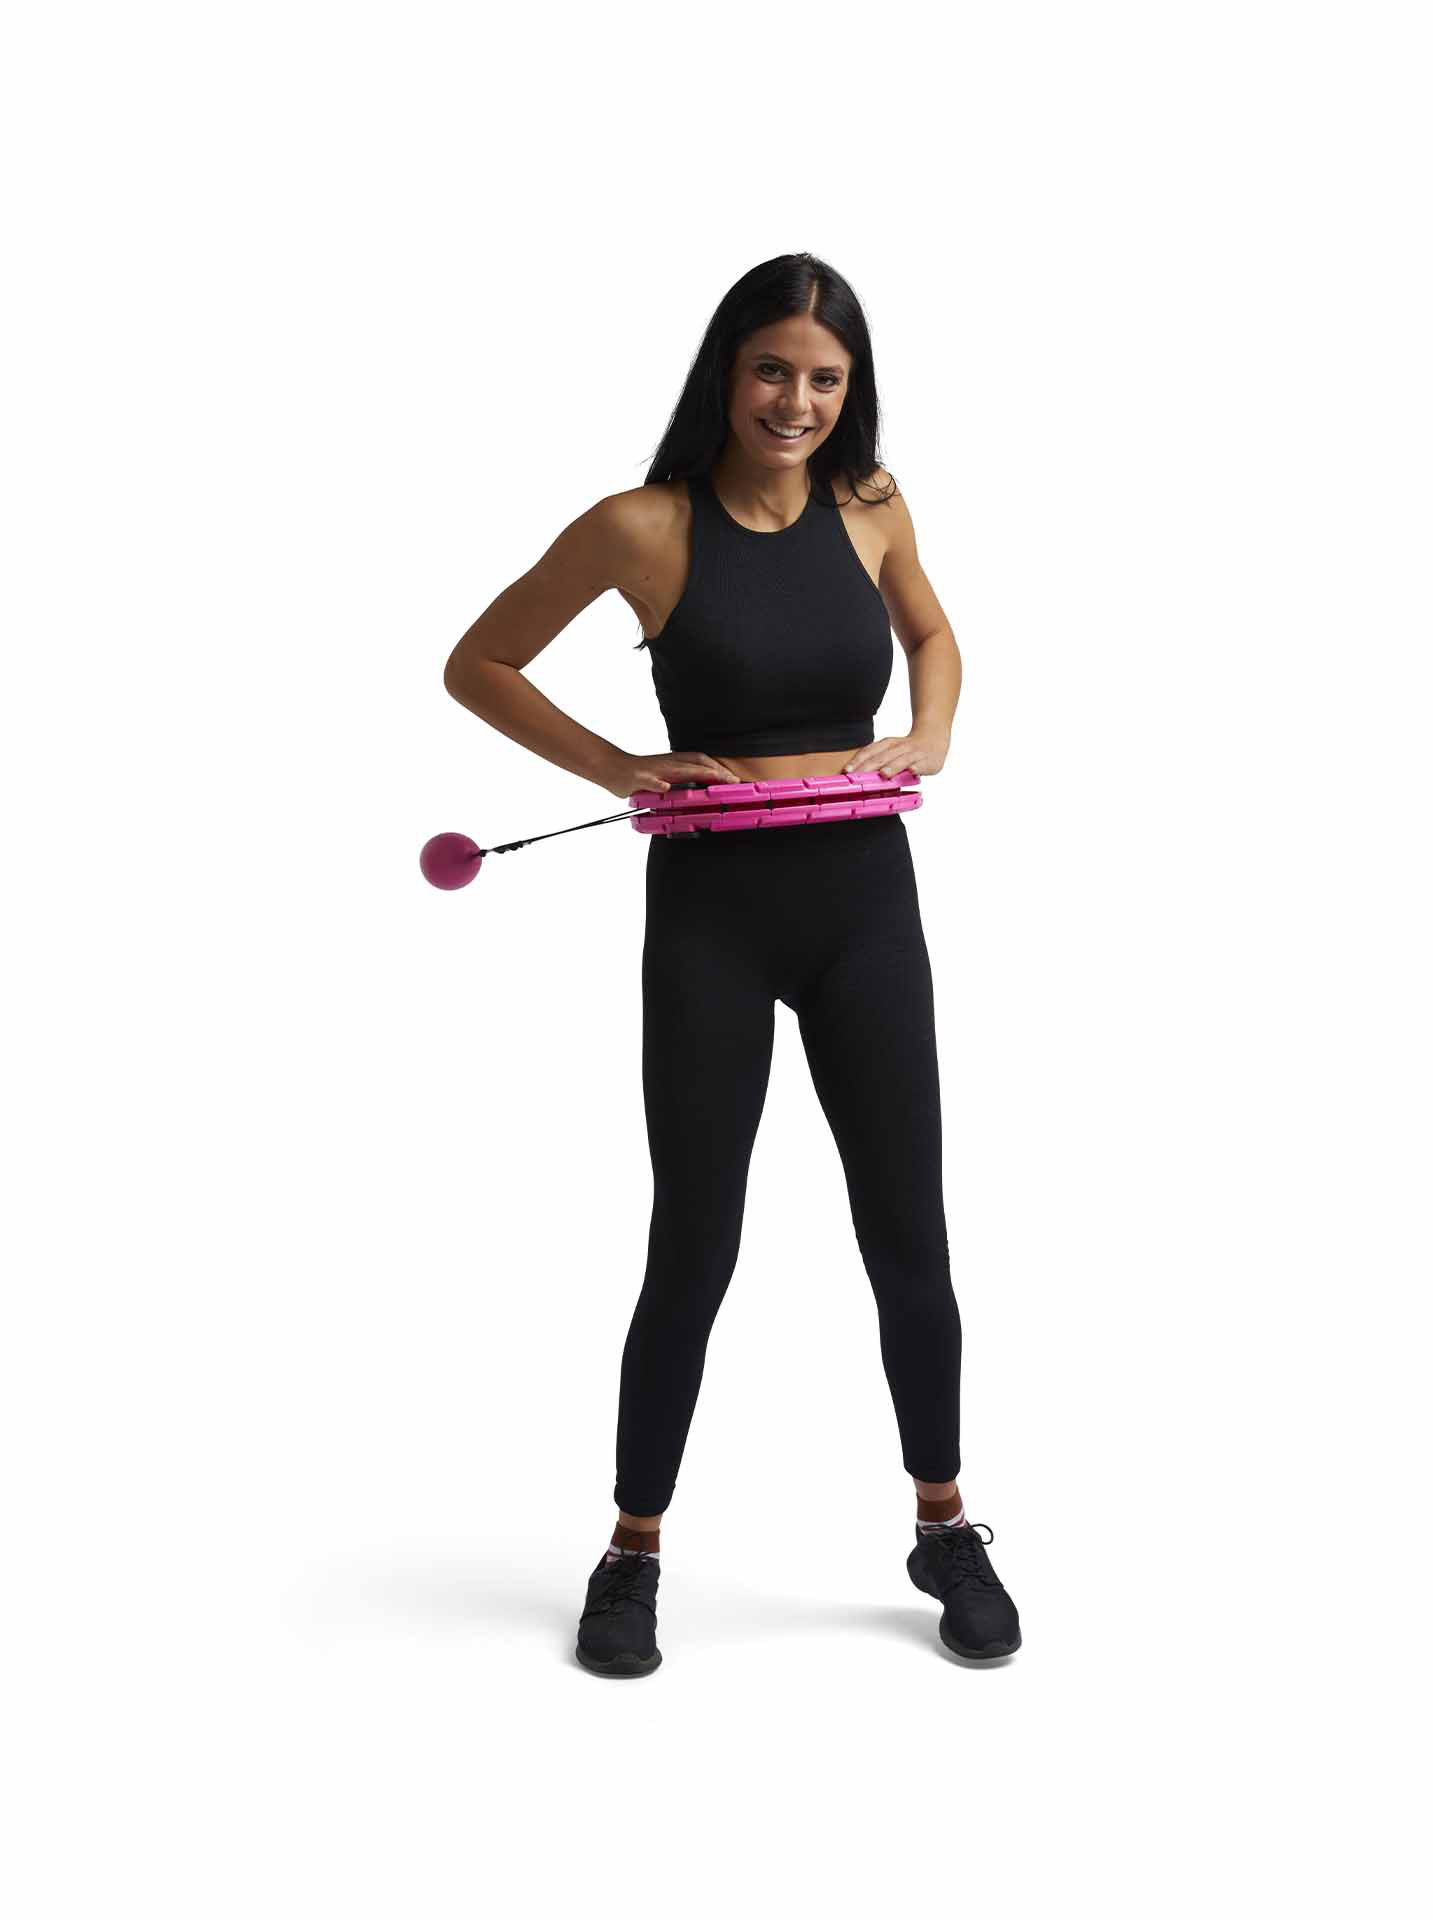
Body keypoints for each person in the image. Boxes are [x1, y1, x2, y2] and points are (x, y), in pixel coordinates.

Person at [442, 253, 1020, 1674]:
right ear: (726, 370)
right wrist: (620, 766)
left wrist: (932, 730)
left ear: (851, 390)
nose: (796, 402)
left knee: (909, 1232)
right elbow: (479, 662)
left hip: (865, 903)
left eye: (825, 378)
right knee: (695, 1239)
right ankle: (633, 1549)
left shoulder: (871, 503)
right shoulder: (642, 526)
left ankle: (944, 1524)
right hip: (712, 913)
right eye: (772, 369)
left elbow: (932, 631)